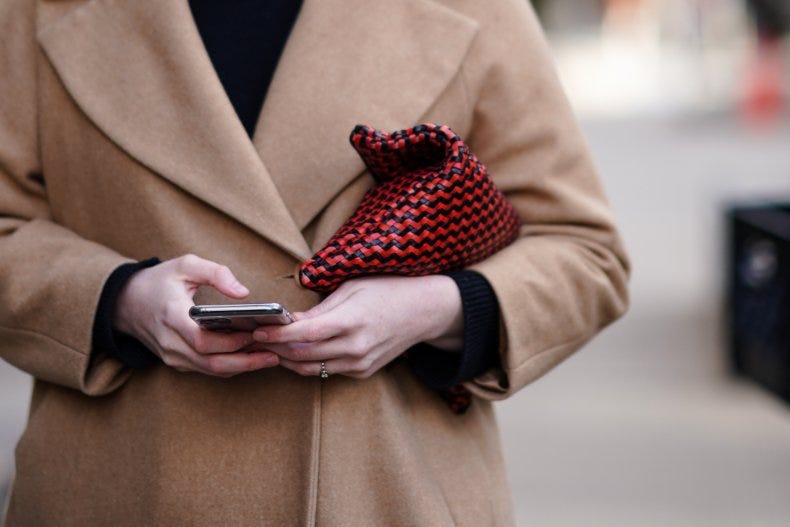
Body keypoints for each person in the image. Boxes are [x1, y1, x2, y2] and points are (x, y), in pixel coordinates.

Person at [0, 0, 629, 524]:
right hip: (118, 487)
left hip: (386, 493)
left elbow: (583, 248)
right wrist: (120, 299)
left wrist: (433, 309)